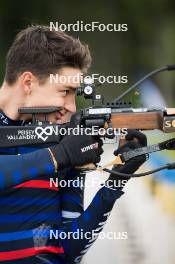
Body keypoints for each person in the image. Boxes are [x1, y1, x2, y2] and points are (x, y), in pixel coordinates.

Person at [0, 25, 148, 263]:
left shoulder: (61, 140)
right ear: (28, 82)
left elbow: (68, 251)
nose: (71, 106)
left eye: (75, 94)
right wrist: (59, 156)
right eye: (64, 91)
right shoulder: (61, 150)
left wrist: (114, 184)